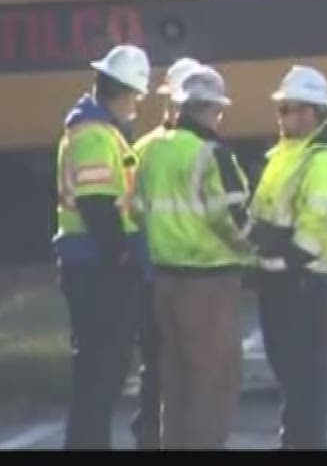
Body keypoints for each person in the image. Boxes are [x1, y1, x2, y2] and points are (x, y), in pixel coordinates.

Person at [135, 65, 254, 448]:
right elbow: (232, 218)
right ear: (212, 109)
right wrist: (258, 253)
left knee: (177, 380)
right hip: (209, 280)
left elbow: (136, 209)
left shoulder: (151, 149)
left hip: (165, 279)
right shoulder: (211, 153)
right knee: (213, 381)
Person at [54, 43, 152, 450]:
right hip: (98, 267)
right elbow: (97, 206)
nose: (137, 105)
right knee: (100, 372)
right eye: (136, 96)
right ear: (124, 92)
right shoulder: (95, 135)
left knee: (98, 371)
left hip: (92, 264)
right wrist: (123, 255)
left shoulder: (97, 130)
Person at [249, 65, 327, 450]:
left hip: (310, 277)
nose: (282, 117)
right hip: (284, 274)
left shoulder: (324, 159)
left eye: (287, 109)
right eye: (281, 109)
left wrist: (291, 260)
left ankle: (306, 444)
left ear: (311, 112)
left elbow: (318, 216)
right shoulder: (285, 154)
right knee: (291, 373)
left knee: (307, 374)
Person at [129, 56, 203, 449]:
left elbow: (130, 211)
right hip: (186, 274)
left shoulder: (140, 149)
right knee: (185, 362)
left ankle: (150, 434)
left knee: (155, 362)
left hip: (149, 272)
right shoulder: (203, 151)